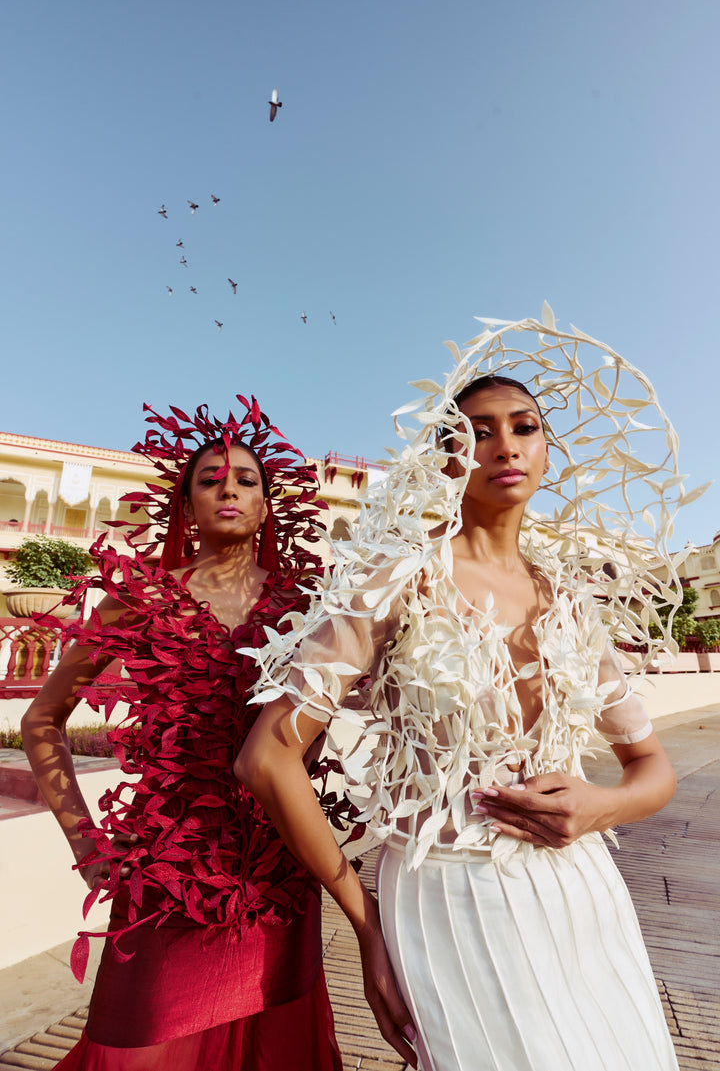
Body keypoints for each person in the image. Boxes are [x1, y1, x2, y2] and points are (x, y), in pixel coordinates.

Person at [235, 309, 687, 1071]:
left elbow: (654, 770)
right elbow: (267, 756)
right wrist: (364, 917)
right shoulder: (397, 580)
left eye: (524, 426)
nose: (504, 444)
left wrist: (598, 804)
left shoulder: (573, 603)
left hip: (579, 887)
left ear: (547, 452)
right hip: (447, 897)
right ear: (447, 455)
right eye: (477, 430)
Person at [21, 396, 343, 1071]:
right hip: (166, 878)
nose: (229, 486)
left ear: (266, 505)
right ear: (185, 505)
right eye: (209, 478)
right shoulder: (141, 595)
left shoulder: (308, 610)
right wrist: (87, 844)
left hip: (276, 874)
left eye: (247, 478)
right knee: (140, 1046)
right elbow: (42, 718)